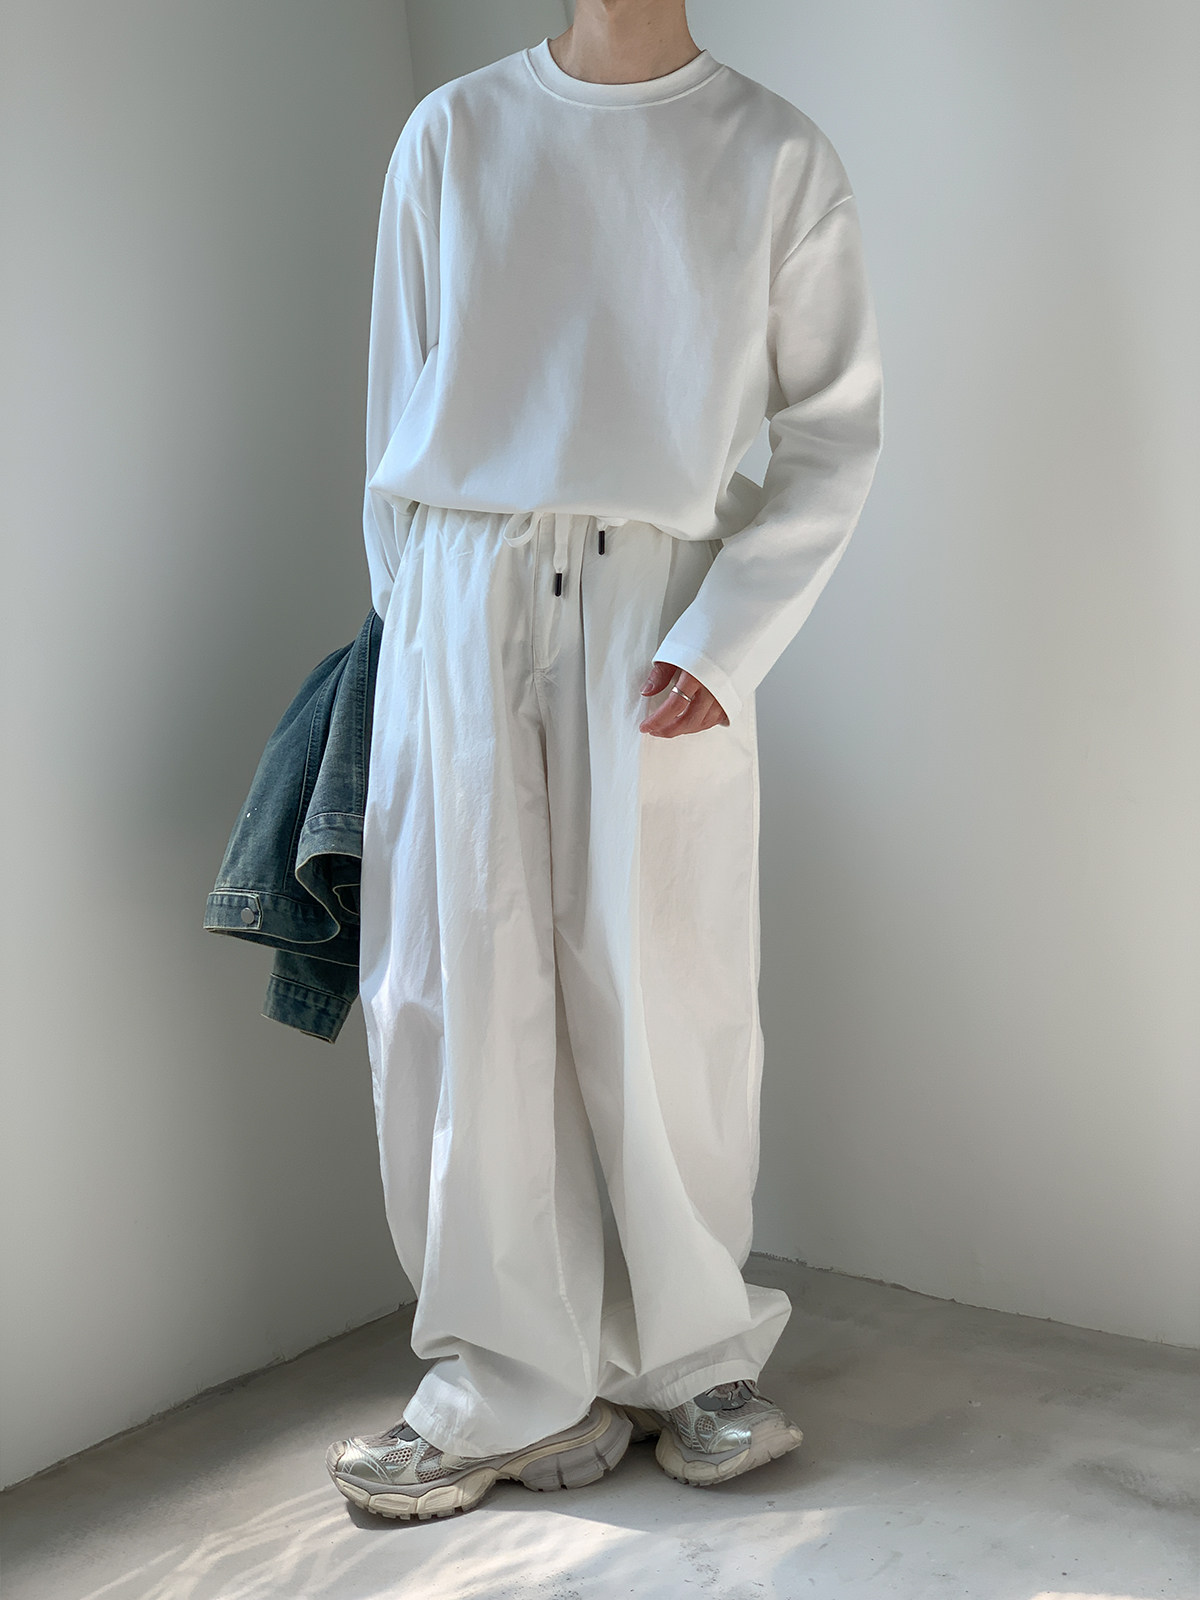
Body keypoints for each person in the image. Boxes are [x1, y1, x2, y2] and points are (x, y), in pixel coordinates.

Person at [326, 0, 883, 1521]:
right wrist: (423, 626)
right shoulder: (454, 133)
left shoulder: (773, 153)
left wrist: (729, 637)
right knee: (458, 992)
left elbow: (836, 432)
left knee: (670, 986)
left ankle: (692, 1357)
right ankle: (507, 1384)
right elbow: (394, 415)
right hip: (463, 590)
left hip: (661, 603)